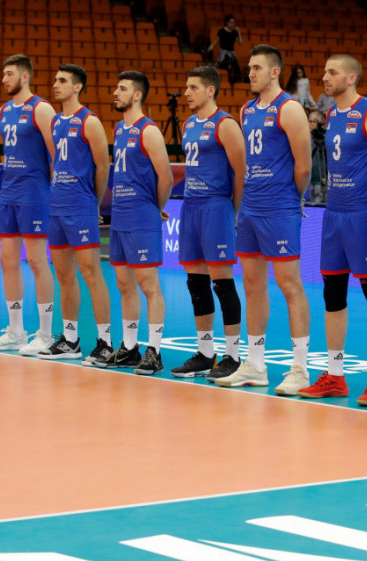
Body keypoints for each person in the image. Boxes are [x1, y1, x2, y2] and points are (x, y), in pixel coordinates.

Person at [297, 54, 367, 402]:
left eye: (332, 72)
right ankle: (335, 376)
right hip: (334, 216)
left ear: (351, 77)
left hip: (364, 216)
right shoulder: (333, 115)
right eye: (325, 71)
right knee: (333, 294)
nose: (325, 77)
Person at [215, 44, 312, 395]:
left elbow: (304, 167)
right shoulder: (246, 109)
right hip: (251, 207)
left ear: (274, 71)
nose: (250, 73)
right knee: (253, 285)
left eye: (257, 67)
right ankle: (255, 365)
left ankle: (300, 368)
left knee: (289, 284)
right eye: (250, 67)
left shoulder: (290, 108)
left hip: (280, 207)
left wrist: (290, 198)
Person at [170, 65, 245, 380]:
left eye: (194, 87)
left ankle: (233, 356)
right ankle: (205, 353)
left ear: (211, 90)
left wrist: (232, 211)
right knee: (195, 283)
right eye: (187, 87)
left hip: (216, 206)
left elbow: (241, 172)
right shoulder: (189, 124)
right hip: (191, 207)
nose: (187, 93)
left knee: (222, 283)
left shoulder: (225, 124)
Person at [0, 54, 57, 354]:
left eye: (9, 74)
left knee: (37, 261)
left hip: (34, 193)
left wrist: (52, 191)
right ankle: (15, 330)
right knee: (8, 260)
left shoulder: (42, 109)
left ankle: (46, 334)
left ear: (25, 77)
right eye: (3, 74)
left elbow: (56, 155)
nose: (4, 79)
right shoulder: (3, 110)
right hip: (9, 192)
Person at [42, 63, 114, 364]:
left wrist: (93, 203)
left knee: (91, 273)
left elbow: (102, 166)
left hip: (81, 206)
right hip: (56, 206)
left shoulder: (90, 121)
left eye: (62, 80)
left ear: (77, 87)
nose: (56, 85)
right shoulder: (56, 121)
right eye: (55, 80)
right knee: (64, 275)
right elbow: (55, 161)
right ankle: (70, 340)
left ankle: (106, 343)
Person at [104, 70, 173, 374]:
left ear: (137, 95)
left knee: (149, 284)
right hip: (119, 215)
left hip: (141, 216)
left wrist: (154, 207)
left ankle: (154, 351)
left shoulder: (149, 131)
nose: (115, 92)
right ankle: (130, 347)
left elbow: (166, 177)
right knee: (123, 283)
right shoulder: (120, 128)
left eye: (122, 88)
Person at [208, 15, 242, 84]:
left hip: (232, 54)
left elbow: (241, 43)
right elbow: (217, 40)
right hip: (223, 53)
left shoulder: (234, 33)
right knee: (219, 67)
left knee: (237, 70)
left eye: (233, 23)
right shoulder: (222, 31)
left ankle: (234, 83)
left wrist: (239, 32)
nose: (232, 24)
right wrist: (212, 45)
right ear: (227, 22)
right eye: (230, 22)